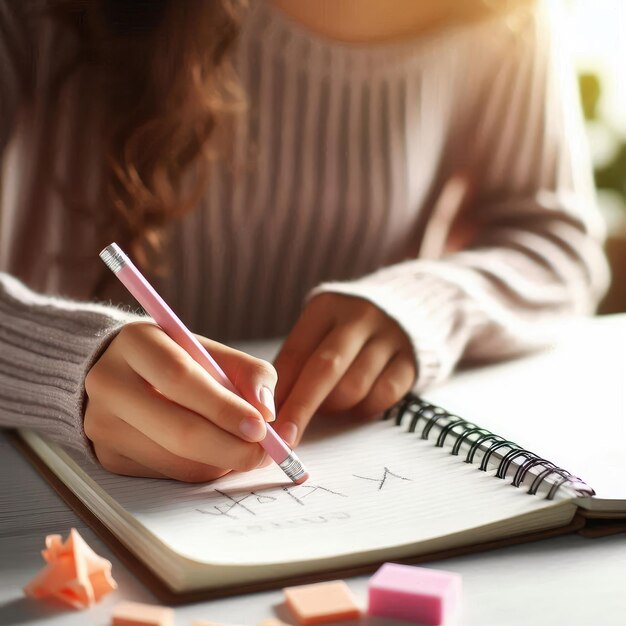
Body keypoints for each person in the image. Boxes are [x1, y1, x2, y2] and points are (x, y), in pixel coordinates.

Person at [0, 0, 609, 482]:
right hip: (40, 480)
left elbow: (558, 238)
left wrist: (424, 303)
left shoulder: (505, 14)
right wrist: (60, 364)